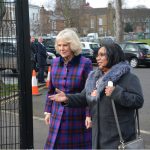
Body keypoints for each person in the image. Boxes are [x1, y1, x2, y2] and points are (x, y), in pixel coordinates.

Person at [49, 43, 144, 149]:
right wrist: (67, 98)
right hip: (98, 138)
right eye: (97, 55)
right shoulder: (95, 78)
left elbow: (138, 101)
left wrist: (116, 92)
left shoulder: (128, 77)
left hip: (119, 140)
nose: (98, 58)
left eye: (102, 55)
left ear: (113, 56)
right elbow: (84, 97)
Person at [44, 29, 92, 149]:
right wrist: (48, 111)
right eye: (59, 45)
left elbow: (90, 92)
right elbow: (51, 90)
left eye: (65, 45)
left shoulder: (85, 63)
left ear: (73, 45)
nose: (61, 48)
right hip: (56, 113)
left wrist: (88, 115)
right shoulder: (54, 63)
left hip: (76, 115)